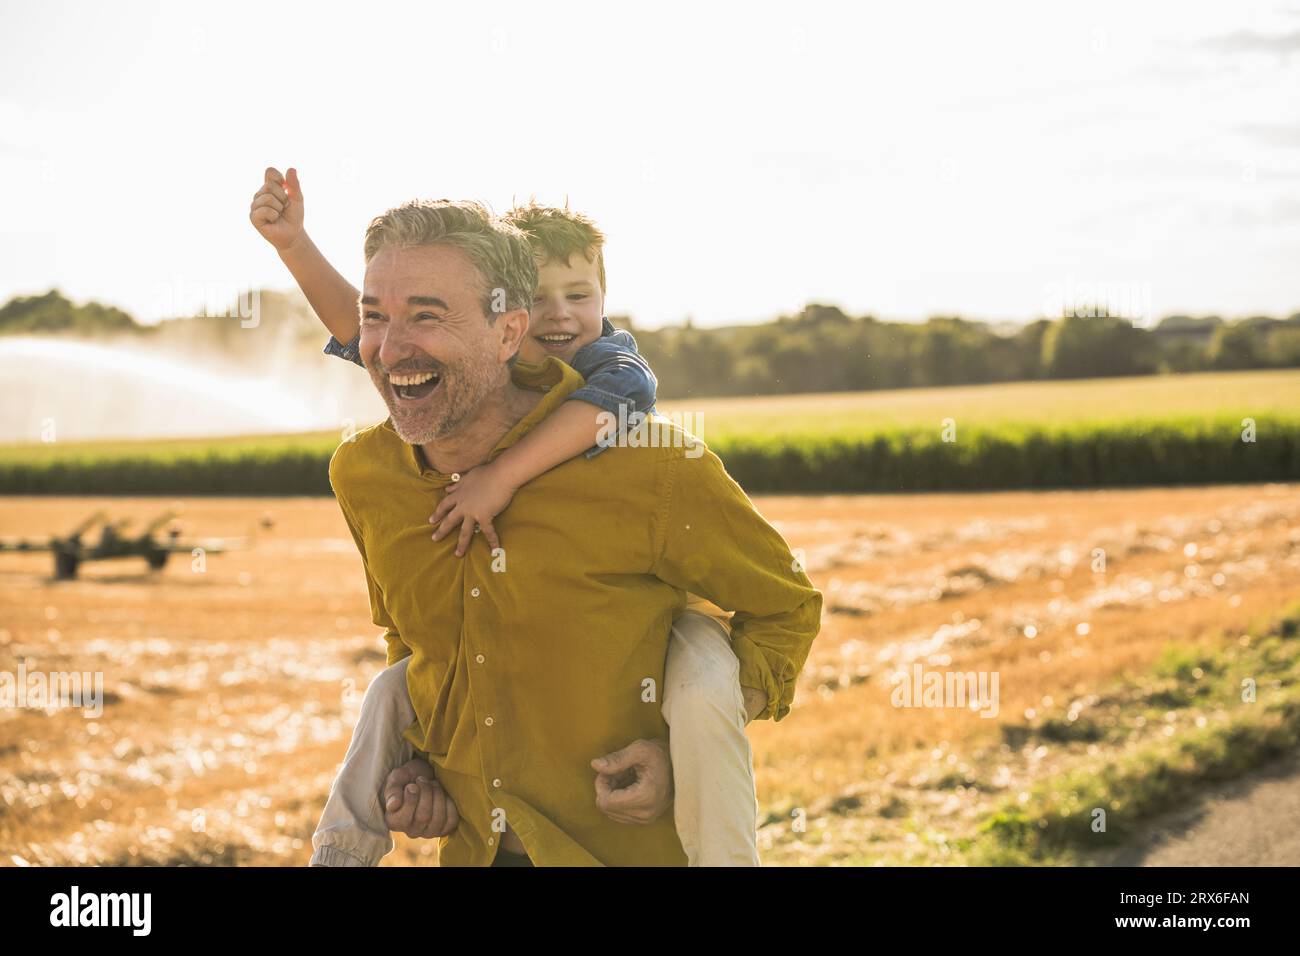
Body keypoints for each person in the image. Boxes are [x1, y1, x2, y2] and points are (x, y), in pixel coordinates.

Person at [251, 180, 821, 865]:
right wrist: (419, 764)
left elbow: (785, 609)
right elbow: (413, 646)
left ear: (508, 332)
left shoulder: (649, 464)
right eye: (377, 317)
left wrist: (686, 755)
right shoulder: (367, 477)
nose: (391, 347)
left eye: (428, 316)